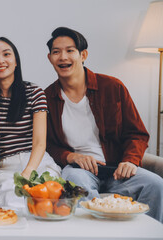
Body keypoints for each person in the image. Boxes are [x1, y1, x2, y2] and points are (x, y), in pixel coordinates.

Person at [45, 26, 163, 222]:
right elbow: (47, 144)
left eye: (70, 50)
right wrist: (71, 156)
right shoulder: (47, 98)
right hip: (79, 170)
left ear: (83, 55)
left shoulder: (112, 87)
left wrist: (130, 161)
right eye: (56, 52)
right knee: (75, 184)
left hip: (118, 168)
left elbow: (137, 134)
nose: (62, 57)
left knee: (156, 185)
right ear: (50, 58)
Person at [0, 37, 61, 208]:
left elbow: (39, 142)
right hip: (5, 165)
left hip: (37, 161)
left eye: (6, 54)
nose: (0, 60)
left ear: (16, 61)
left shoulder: (34, 92)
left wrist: (29, 171)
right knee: (14, 204)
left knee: (49, 202)